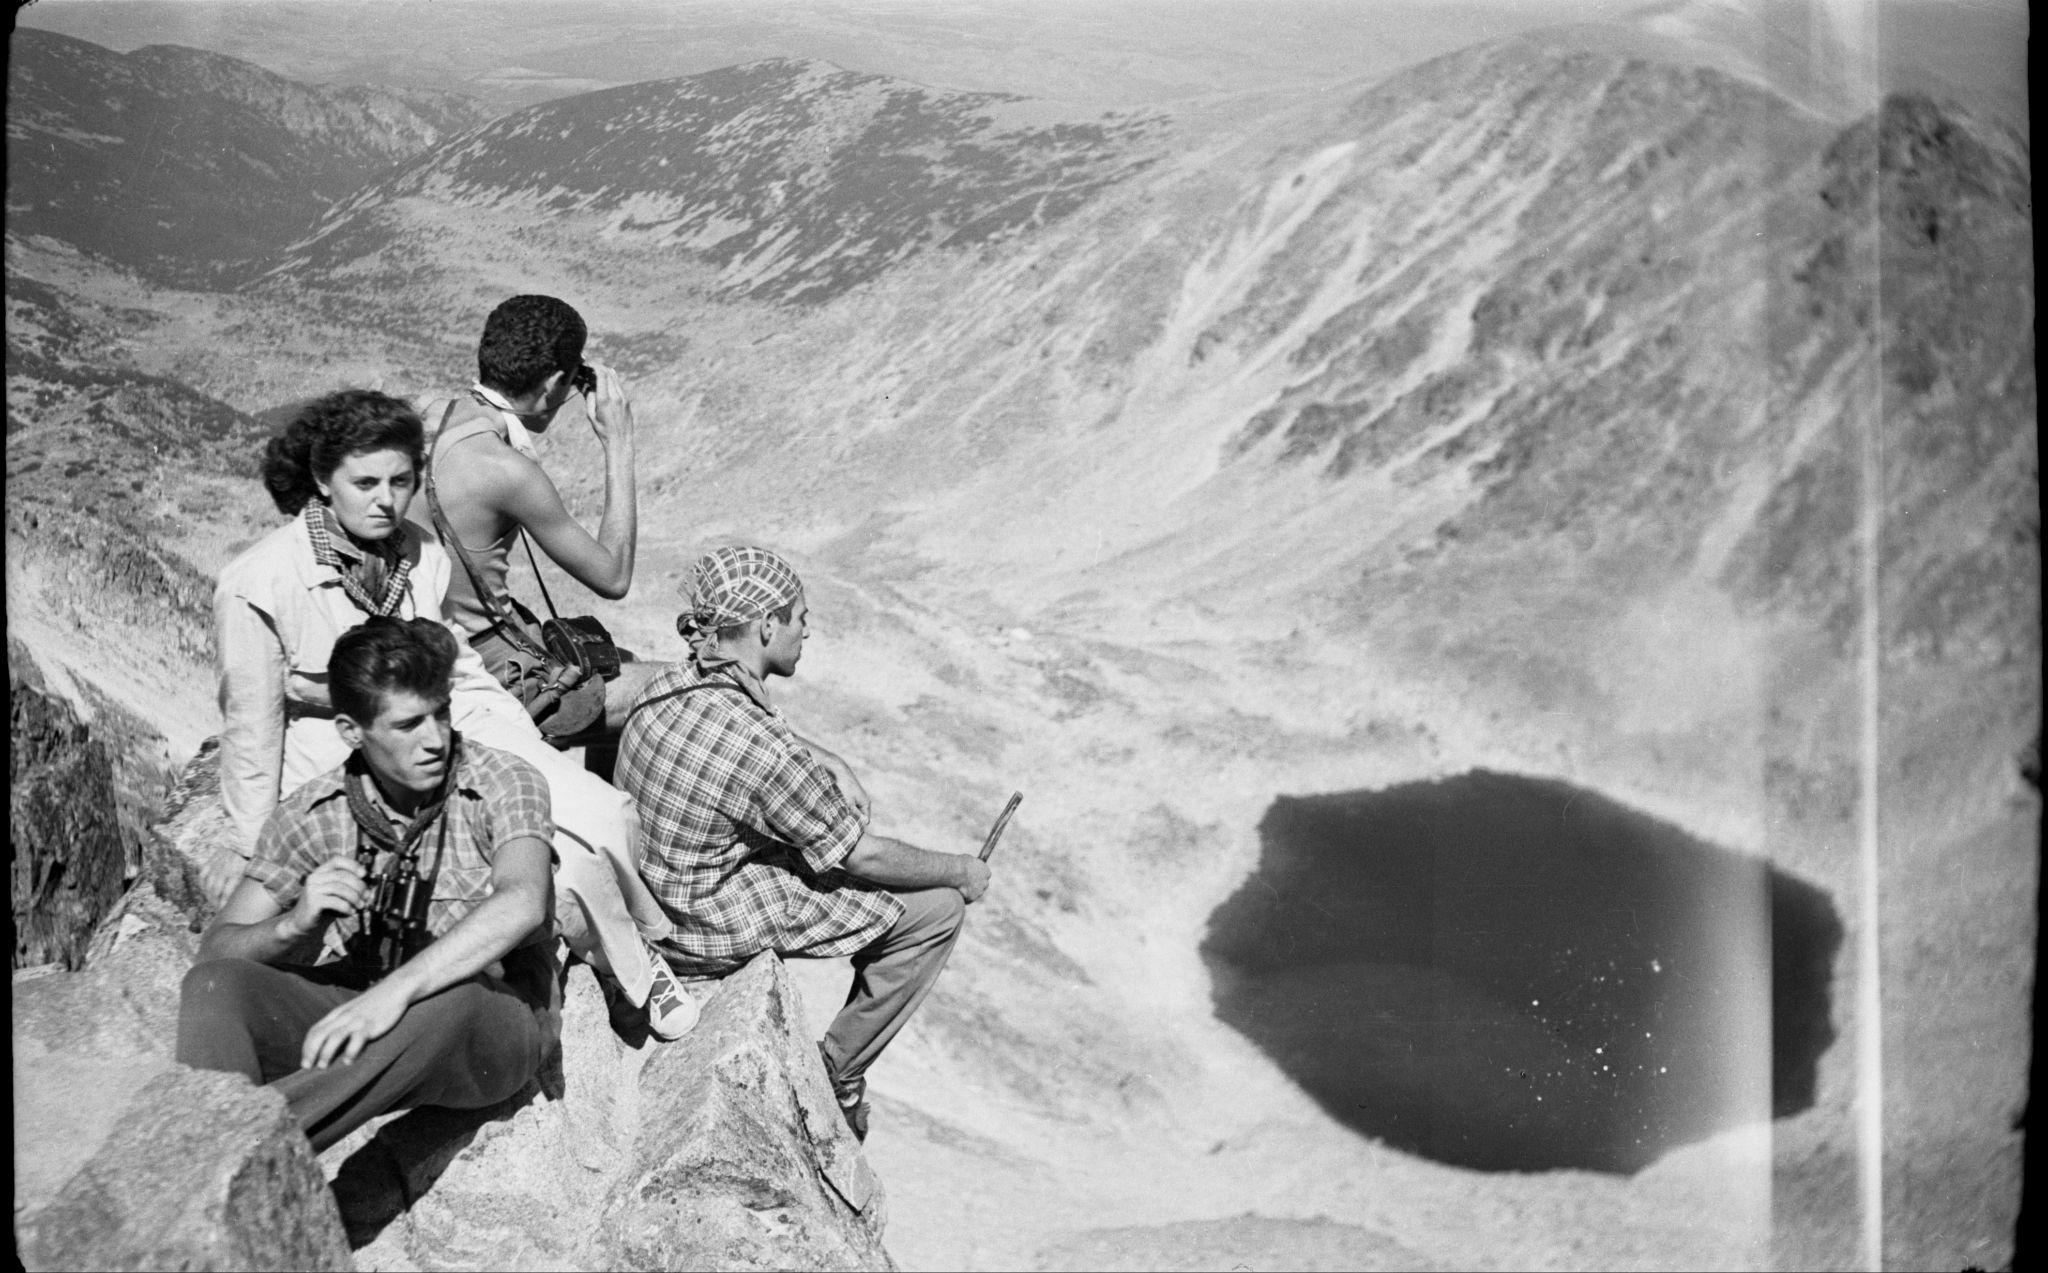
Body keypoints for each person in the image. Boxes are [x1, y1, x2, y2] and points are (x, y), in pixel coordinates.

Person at [207, 389, 695, 1039]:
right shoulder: (258, 584)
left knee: (605, 813)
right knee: (548, 870)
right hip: (346, 752)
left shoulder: (417, 554)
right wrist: (259, 859)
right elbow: (252, 734)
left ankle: (628, 945)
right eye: (366, 481)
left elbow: (461, 673)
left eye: (402, 480)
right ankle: (624, 964)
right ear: (323, 480)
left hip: (453, 724)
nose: (385, 498)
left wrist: (524, 759)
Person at [617, 546, 992, 1140]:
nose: (807, 630)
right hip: (703, 920)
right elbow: (860, 852)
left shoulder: (667, 680)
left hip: (656, 889)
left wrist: (825, 756)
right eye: (799, 617)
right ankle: (836, 1074)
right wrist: (961, 871)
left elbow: (756, 740)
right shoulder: (762, 751)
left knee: (815, 854)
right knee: (934, 910)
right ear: (767, 626)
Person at [177, 617, 554, 1152]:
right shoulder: (311, 813)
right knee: (217, 988)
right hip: (365, 1001)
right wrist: (292, 925)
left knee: (455, 1000)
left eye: (441, 714)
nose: (436, 741)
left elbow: (523, 902)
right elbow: (215, 951)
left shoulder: (502, 781)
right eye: (408, 726)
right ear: (351, 731)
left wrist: (393, 997)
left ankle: (234, 1157)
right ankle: (226, 1148)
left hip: (492, 1012)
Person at [418, 295, 669, 746]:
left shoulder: (432, 411)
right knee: (680, 687)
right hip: (488, 663)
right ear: (554, 383)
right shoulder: (507, 470)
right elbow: (613, 576)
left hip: (433, 637)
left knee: (622, 660)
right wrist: (619, 442)